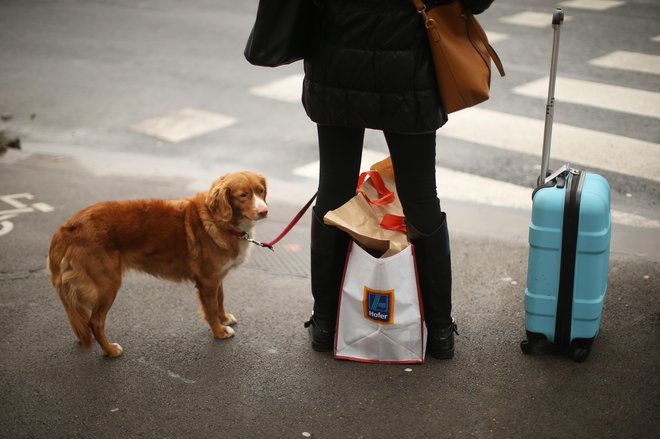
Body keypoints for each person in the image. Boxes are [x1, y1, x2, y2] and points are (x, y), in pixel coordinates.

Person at [301, 0, 495, 359]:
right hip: (408, 66)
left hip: (335, 56)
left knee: (334, 188)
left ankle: (325, 324)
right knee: (420, 196)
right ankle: (439, 332)